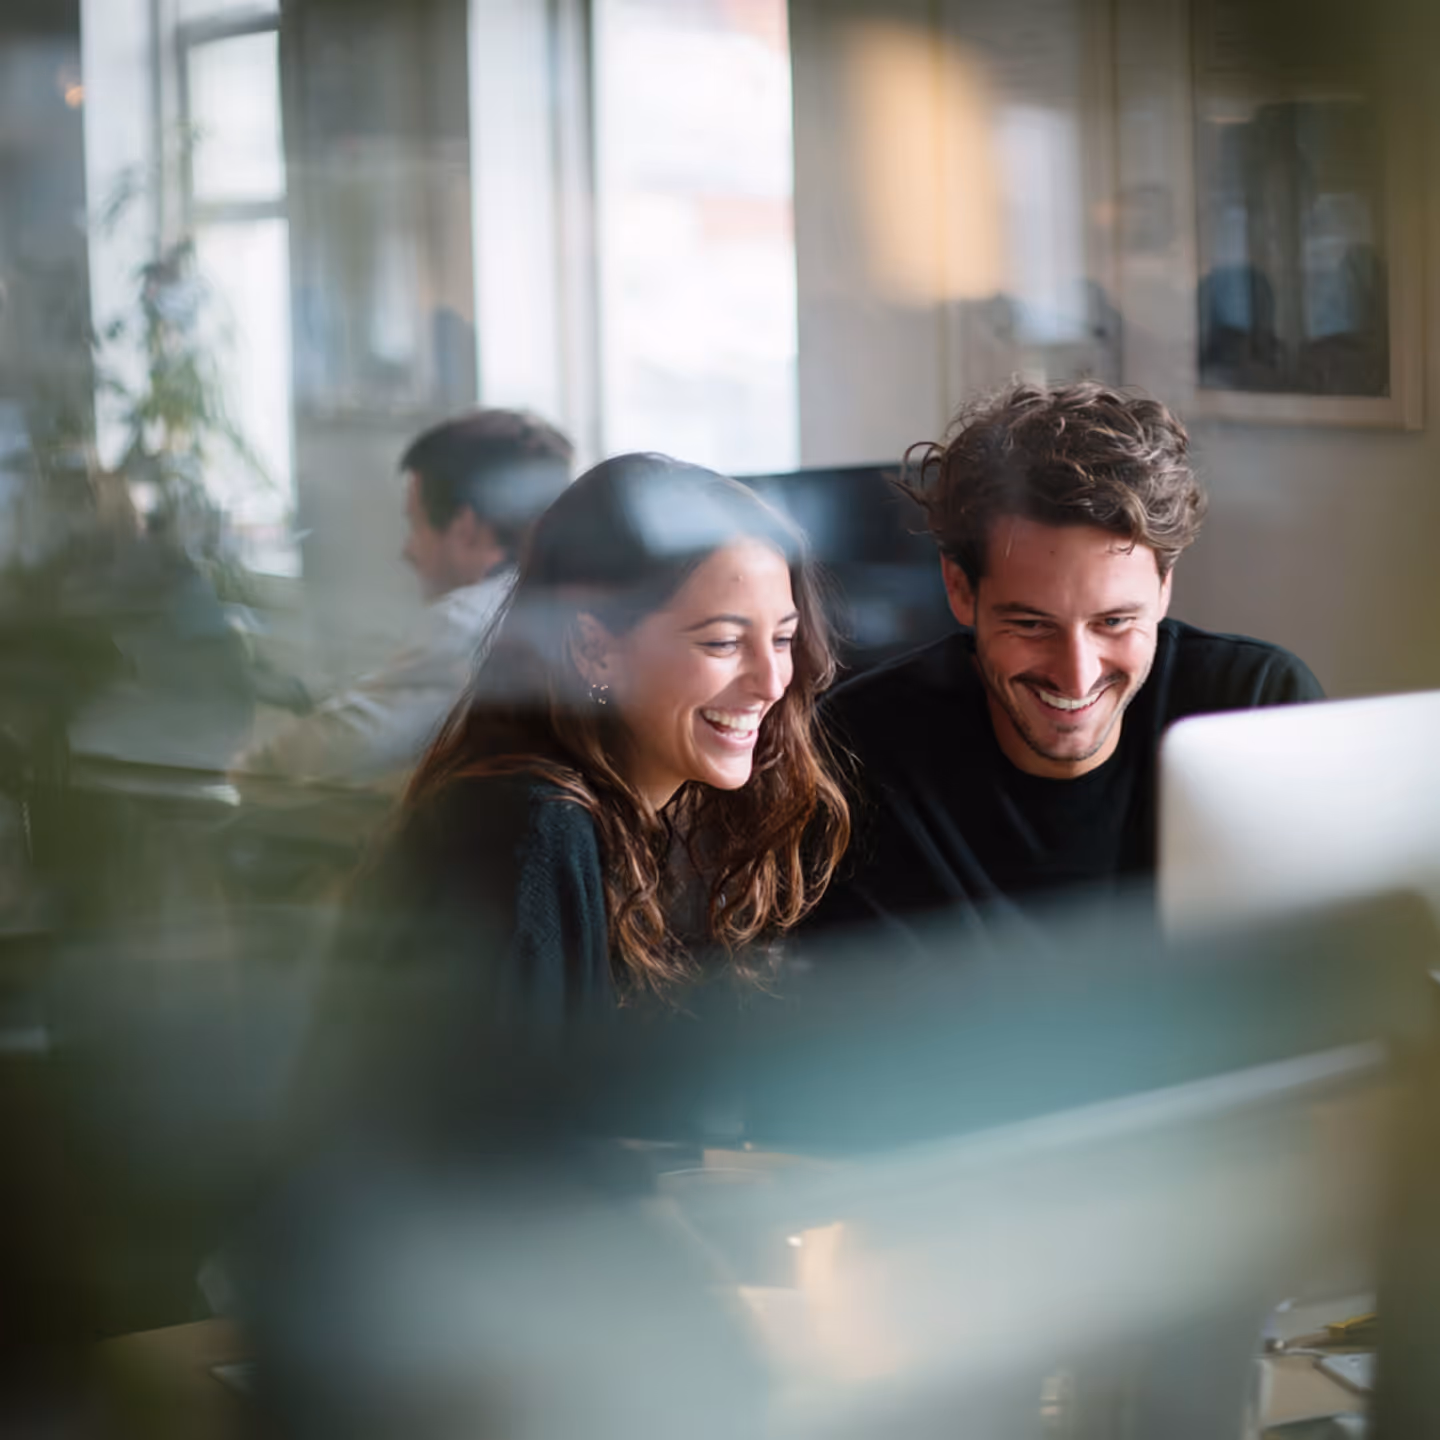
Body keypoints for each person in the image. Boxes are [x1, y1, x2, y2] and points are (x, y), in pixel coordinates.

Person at [343, 452, 850, 1026]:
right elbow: (512, 1113)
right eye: (722, 644)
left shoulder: (632, 815)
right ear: (594, 651)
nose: (772, 680)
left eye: (783, 639)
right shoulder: (530, 832)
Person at [806, 379, 1322, 934]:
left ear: (1164, 588)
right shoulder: (857, 752)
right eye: (1031, 624)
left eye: (1114, 621)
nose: (1077, 674)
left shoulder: (1259, 705)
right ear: (959, 589)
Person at [234, 408, 572, 791]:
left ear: (467, 528)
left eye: (416, 524)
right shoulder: (565, 608)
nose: (407, 551)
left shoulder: (471, 622)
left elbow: (349, 739)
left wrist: (244, 772)